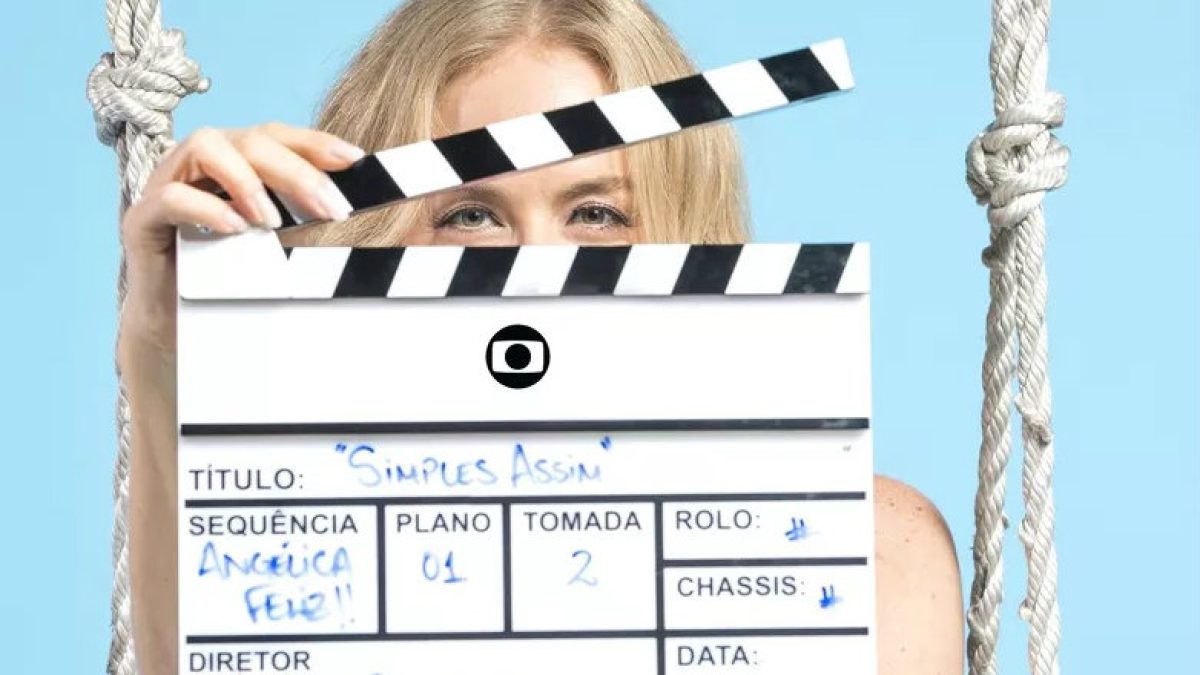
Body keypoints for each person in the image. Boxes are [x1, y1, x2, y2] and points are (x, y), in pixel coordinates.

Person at [118, 0, 963, 672]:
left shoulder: (873, 552)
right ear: (371, 239)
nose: (537, 267)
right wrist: (161, 352)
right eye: (471, 214)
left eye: (596, 212)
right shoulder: (298, 536)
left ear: (681, 230)